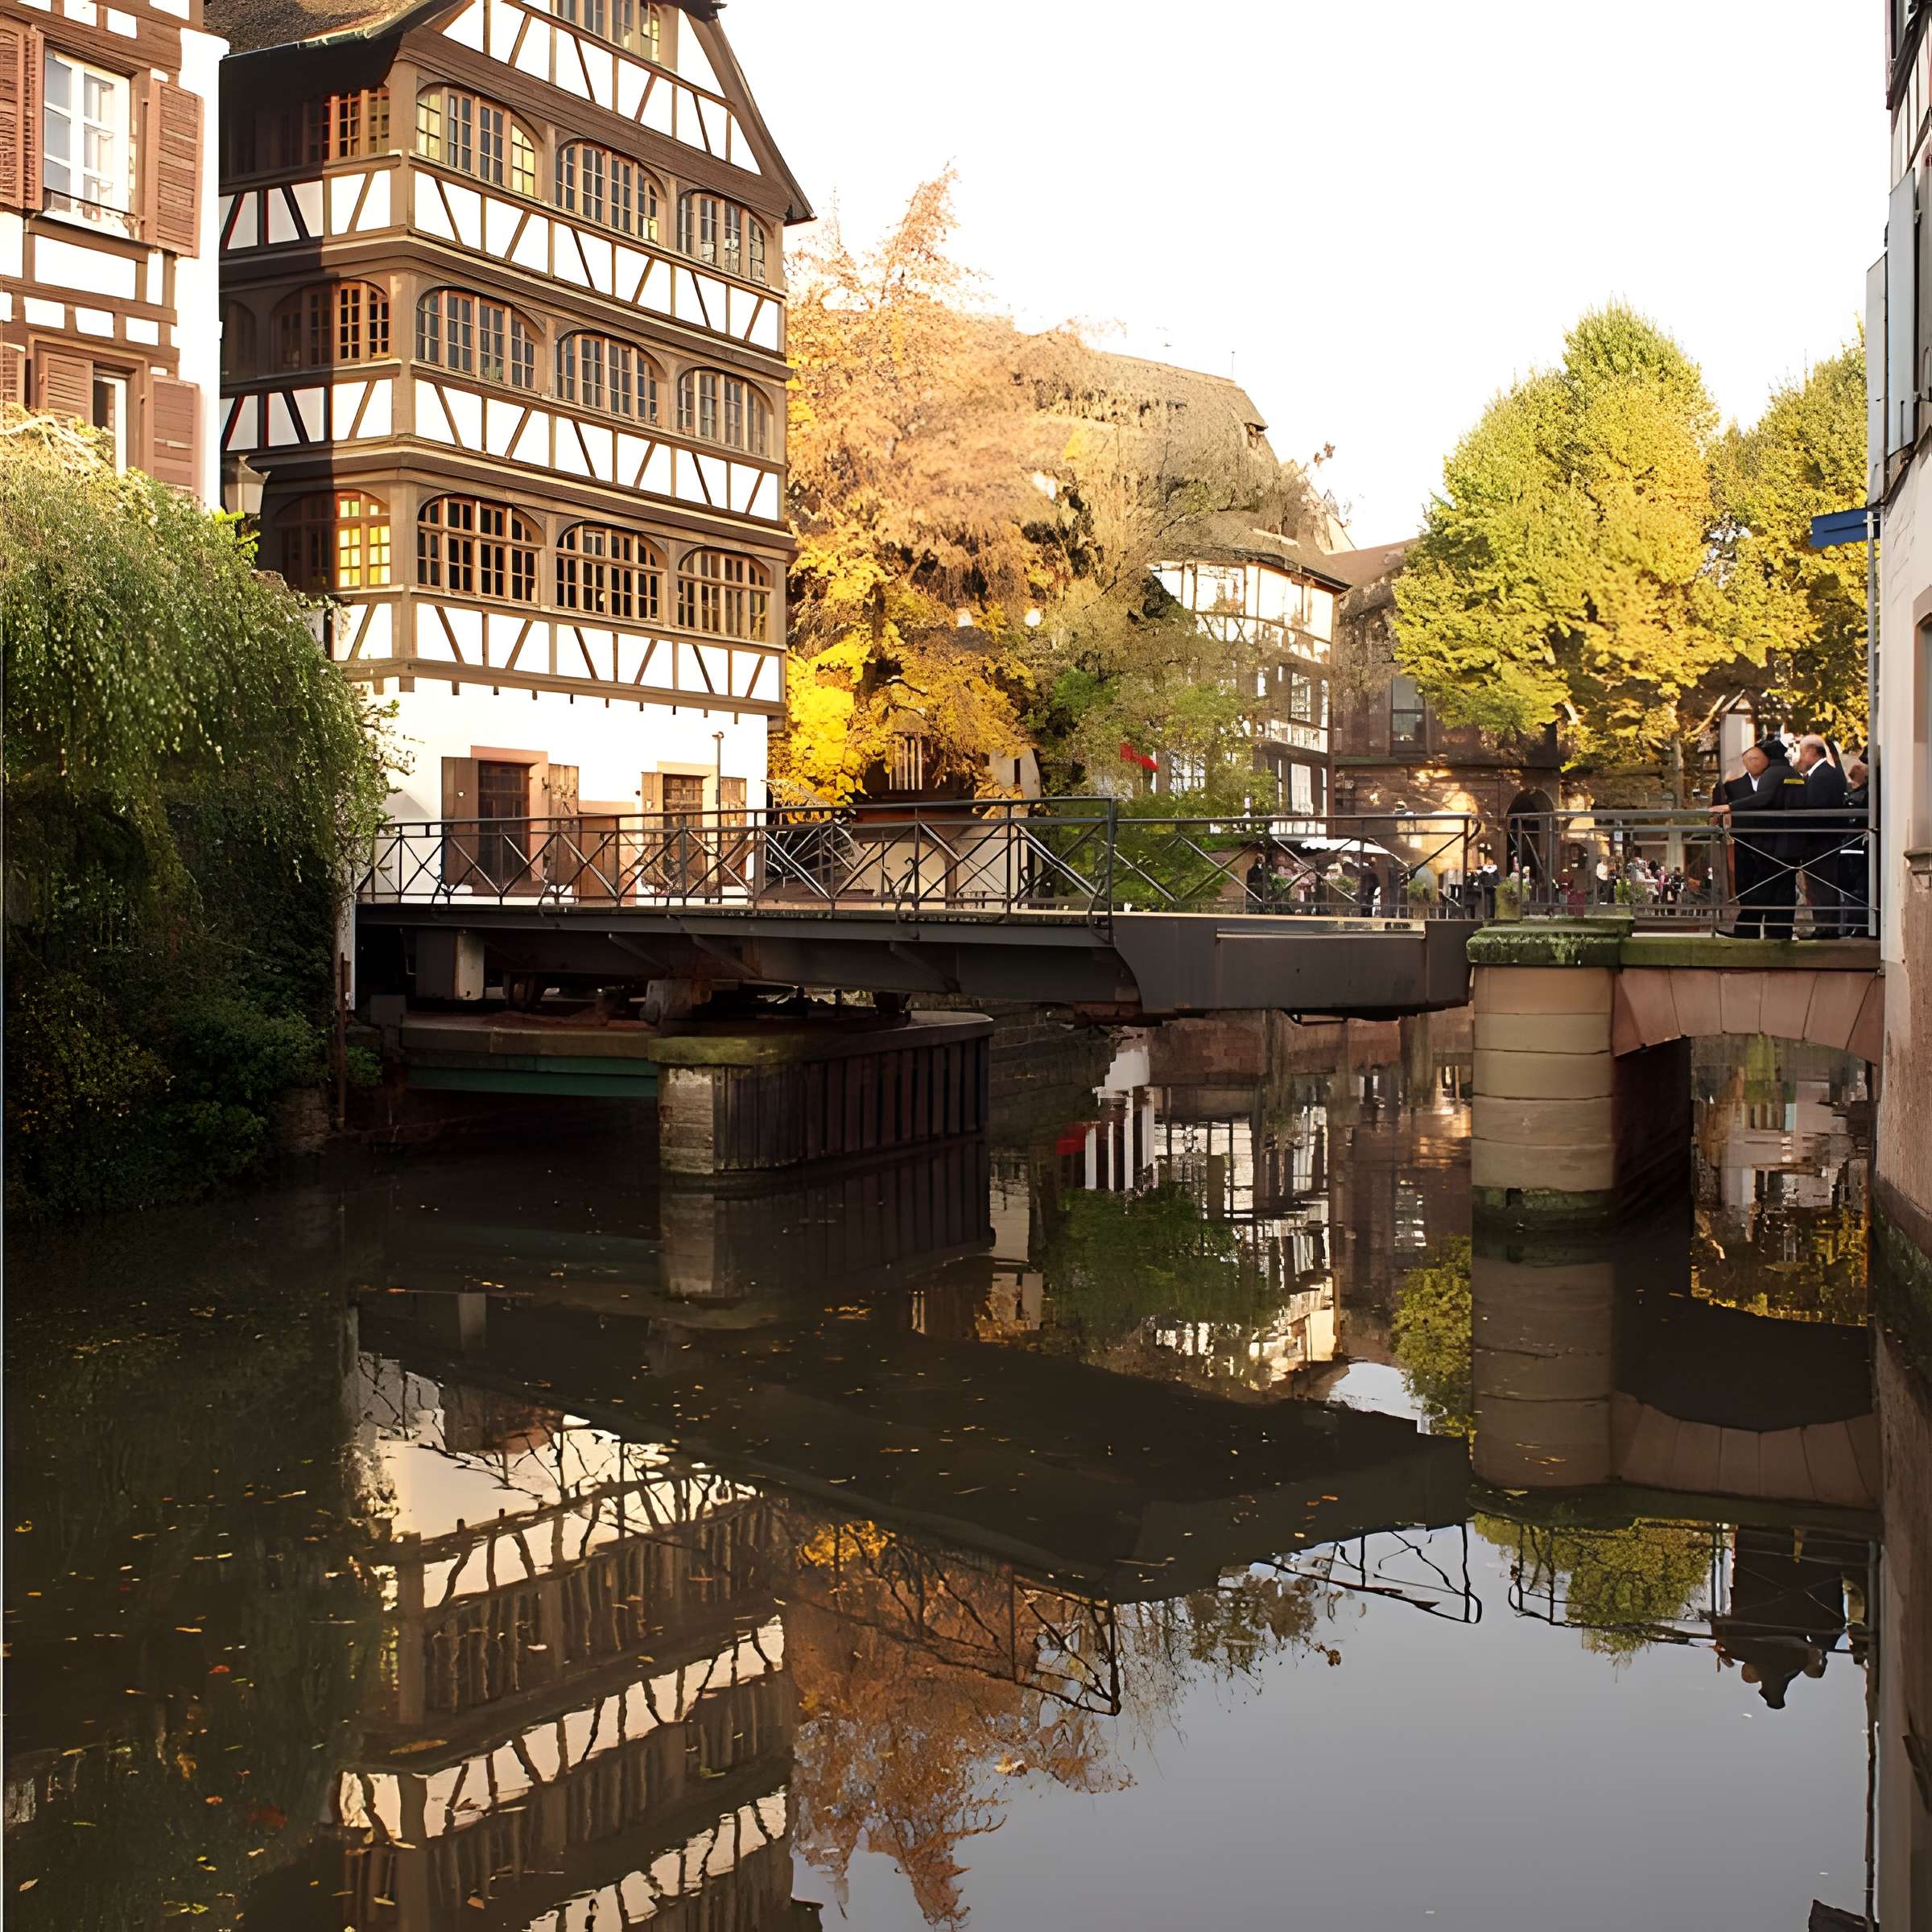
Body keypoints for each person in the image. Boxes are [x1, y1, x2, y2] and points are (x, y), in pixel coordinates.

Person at [1713, 737, 1806, 938]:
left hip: (1772, 845)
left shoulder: (1772, 774)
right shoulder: (1793, 773)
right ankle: (1779, 932)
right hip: (1791, 842)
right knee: (1783, 891)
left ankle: (1745, 929)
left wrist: (1731, 807)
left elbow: (1764, 799)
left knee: (1762, 888)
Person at [1794, 733, 1847, 938]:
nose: (1800, 757)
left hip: (1820, 841)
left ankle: (1826, 927)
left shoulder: (1823, 775)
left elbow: (1815, 807)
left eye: (1802, 751)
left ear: (1811, 751)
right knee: (1819, 883)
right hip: (1822, 839)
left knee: (1821, 883)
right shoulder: (1824, 773)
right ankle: (1824, 926)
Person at [1839, 756, 1870, 934]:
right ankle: (1857, 925)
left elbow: (1856, 820)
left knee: (1855, 889)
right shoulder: (1862, 793)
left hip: (1853, 846)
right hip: (1856, 845)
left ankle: (1857, 925)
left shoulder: (1857, 796)